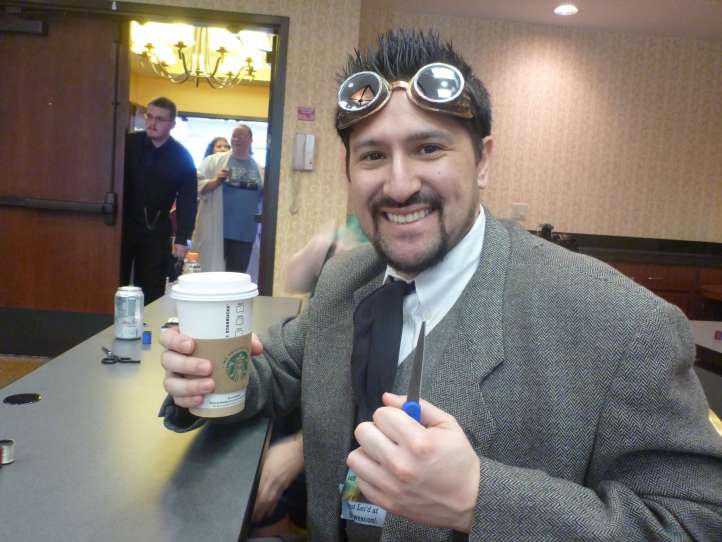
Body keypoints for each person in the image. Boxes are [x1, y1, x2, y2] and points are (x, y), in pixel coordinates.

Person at [159, 30, 722, 541]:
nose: (400, 185)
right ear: (348, 171)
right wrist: (206, 375)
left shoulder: (621, 326)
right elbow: (278, 370)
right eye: (373, 155)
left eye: (429, 148)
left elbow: (696, 522)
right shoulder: (344, 280)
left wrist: (481, 500)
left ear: (483, 161)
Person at [121, 96, 197, 304]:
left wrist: (182, 239)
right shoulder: (128, 144)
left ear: (172, 124)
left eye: (160, 119)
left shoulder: (181, 157)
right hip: (121, 226)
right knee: (113, 282)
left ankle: (148, 325)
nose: (152, 123)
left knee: (151, 288)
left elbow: (188, 201)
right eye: (149, 116)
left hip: (156, 228)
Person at [192, 125, 264, 273]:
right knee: (212, 275)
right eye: (234, 136)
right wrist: (216, 181)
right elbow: (195, 185)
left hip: (245, 235)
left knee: (237, 277)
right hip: (217, 232)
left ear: (251, 140)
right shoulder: (213, 162)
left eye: (241, 136)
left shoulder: (260, 169)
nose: (237, 140)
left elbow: (264, 200)